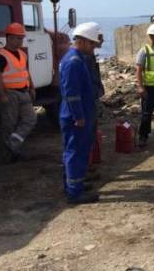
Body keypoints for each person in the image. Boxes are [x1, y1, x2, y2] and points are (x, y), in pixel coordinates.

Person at [59, 22, 102, 204]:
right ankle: (74, 193)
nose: (93, 48)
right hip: (76, 115)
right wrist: (78, 116)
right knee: (75, 152)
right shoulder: (74, 62)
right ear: (82, 41)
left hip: (81, 112)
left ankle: (74, 184)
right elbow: (72, 94)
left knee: (79, 151)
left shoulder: (75, 58)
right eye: (92, 44)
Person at [0, 22, 37, 162]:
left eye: (21, 38)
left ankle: (11, 145)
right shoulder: (0, 56)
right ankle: (12, 154)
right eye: (17, 38)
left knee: (31, 119)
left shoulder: (22, 54)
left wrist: (32, 87)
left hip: (24, 92)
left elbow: (26, 72)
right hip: (9, 93)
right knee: (9, 124)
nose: (20, 41)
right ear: (9, 38)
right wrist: (2, 94)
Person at [85, 33, 105, 179]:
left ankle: (87, 165)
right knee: (85, 136)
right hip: (87, 101)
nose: (102, 43)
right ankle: (84, 168)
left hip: (92, 98)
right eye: (100, 40)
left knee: (90, 135)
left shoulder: (89, 56)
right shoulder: (83, 59)